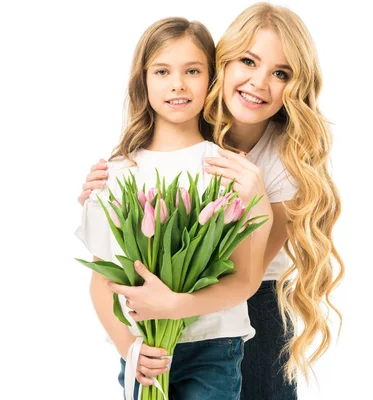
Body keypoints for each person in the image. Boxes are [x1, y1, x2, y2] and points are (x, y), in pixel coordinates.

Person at [78, 3, 345, 399]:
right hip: (166, 299)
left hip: (251, 298)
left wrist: (171, 305)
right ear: (222, 66)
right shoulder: (181, 123)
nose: (259, 83)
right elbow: (106, 269)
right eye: (249, 62)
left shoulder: (281, 160)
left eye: (281, 73)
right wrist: (100, 196)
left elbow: (245, 277)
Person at [74, 16, 273, 400]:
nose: (178, 83)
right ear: (143, 81)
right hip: (143, 349)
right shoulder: (117, 173)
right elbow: (103, 280)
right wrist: (127, 348)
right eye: (162, 70)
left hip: (213, 347)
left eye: (193, 70)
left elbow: (245, 278)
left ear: (211, 80)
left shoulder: (229, 169)